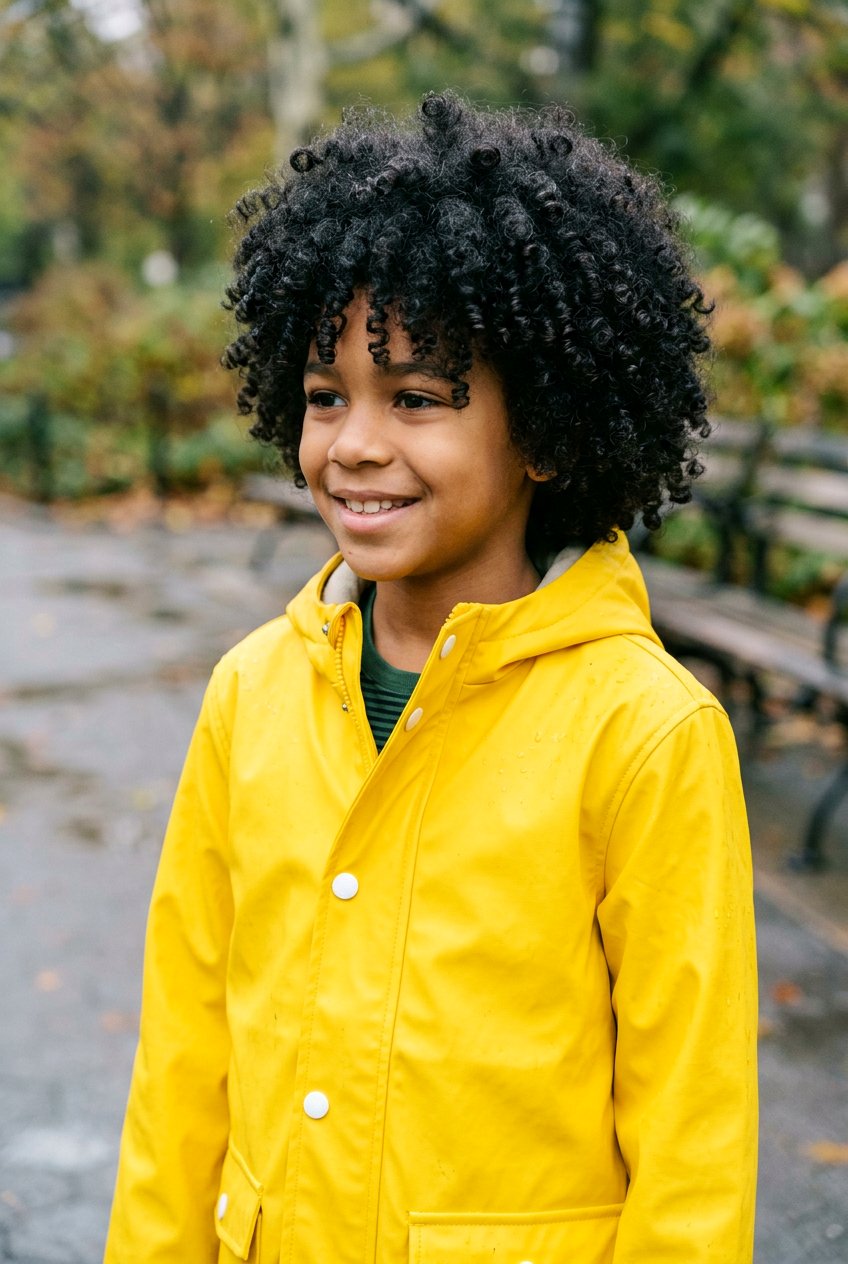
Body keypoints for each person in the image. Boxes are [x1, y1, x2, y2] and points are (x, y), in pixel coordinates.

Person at [104, 93, 757, 1264]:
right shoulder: (251, 693)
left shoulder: (644, 734)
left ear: (546, 432)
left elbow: (693, 1147)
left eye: (416, 397)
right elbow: (181, 1066)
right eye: (323, 395)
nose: (353, 442)